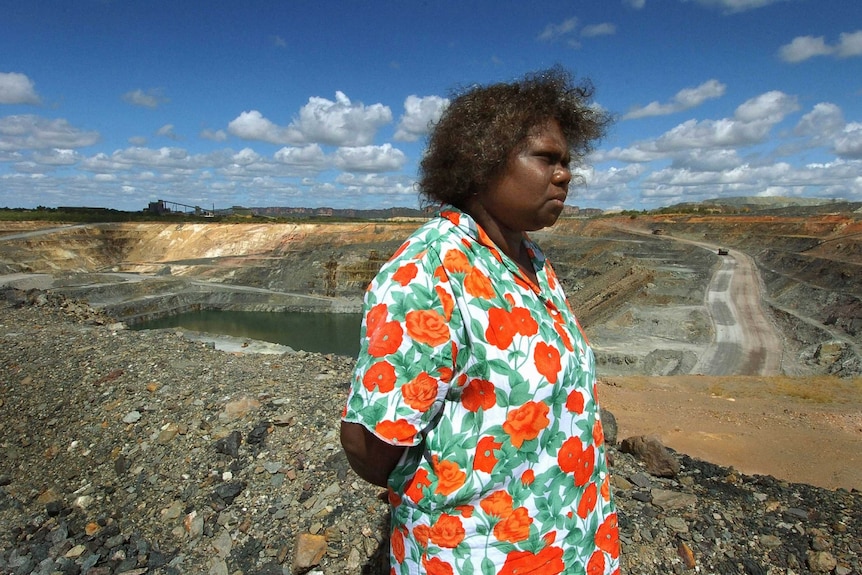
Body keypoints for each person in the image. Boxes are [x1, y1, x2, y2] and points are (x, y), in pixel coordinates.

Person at [340, 67, 620, 575]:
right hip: (478, 555)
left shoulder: (529, 259)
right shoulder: (429, 270)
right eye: (546, 158)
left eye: (567, 161)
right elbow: (371, 446)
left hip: (568, 542)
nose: (564, 174)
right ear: (482, 160)